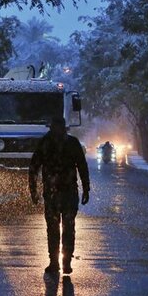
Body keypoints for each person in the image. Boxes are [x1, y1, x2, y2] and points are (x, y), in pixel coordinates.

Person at [29, 117, 90, 274]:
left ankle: (61, 262)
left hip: (61, 193)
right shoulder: (60, 143)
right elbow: (34, 167)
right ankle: (59, 262)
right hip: (59, 194)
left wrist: (86, 188)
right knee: (61, 229)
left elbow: (34, 167)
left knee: (60, 229)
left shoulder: (51, 142)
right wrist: (33, 189)